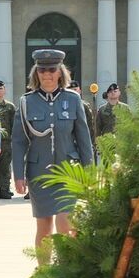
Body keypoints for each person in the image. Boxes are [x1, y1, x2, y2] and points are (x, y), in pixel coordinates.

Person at [10, 49, 96, 261]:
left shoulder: (73, 99)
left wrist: (89, 173)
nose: (47, 74)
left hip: (69, 169)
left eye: (52, 70)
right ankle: (44, 276)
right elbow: (19, 142)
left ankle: (68, 269)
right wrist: (18, 175)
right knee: (44, 227)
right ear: (36, 73)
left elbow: (84, 140)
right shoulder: (26, 102)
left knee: (66, 222)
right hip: (39, 171)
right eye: (42, 70)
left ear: (60, 72)